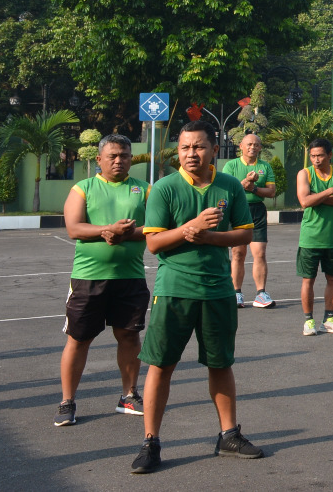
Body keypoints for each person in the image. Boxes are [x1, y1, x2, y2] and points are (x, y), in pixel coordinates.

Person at [132, 119, 263, 474]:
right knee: (161, 364)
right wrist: (190, 229)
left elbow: (244, 235)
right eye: (185, 148)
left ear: (214, 151)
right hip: (173, 290)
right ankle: (151, 442)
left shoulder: (230, 186)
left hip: (218, 289)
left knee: (220, 363)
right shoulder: (164, 188)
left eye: (199, 147)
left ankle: (228, 434)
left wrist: (209, 237)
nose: (191, 154)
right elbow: (153, 242)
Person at [57, 133, 148, 428]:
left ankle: (129, 395)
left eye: (124, 155)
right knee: (79, 339)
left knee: (129, 336)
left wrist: (122, 233)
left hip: (130, 277)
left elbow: (159, 228)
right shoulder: (83, 188)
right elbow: (74, 227)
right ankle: (67, 402)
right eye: (113, 156)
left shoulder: (144, 190)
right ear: (99, 160)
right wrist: (105, 229)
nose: (119, 161)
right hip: (88, 279)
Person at [296, 137, 333, 336]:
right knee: (308, 280)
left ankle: (329, 318)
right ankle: (308, 321)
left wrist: (316, 196)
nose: (316, 160)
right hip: (310, 237)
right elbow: (304, 201)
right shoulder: (305, 174)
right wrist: (330, 191)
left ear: (329, 155)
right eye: (312, 156)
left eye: (320, 155)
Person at [221, 130, 276, 308]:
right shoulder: (231, 166)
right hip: (237, 211)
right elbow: (228, 191)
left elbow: (271, 192)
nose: (253, 147)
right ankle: (236, 292)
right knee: (238, 253)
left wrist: (253, 188)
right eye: (249, 144)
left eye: (256, 145)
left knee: (259, 253)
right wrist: (245, 182)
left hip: (257, 211)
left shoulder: (265, 167)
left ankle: (261, 293)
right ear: (241, 147)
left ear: (260, 148)